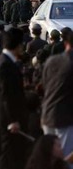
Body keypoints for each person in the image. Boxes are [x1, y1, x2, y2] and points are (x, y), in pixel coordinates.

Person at [0, 29, 30, 169]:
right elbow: (6, 95)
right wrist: (12, 120)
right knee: (8, 155)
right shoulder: (5, 65)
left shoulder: (6, 62)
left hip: (12, 118)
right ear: (17, 45)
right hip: (10, 120)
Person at [41, 29, 73, 163]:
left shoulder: (52, 61)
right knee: (65, 160)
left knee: (50, 159)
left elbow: (45, 85)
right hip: (65, 119)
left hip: (47, 114)